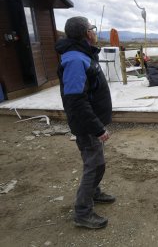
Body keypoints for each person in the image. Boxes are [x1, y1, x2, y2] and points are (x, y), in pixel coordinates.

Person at [55, 16, 115, 229]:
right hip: (88, 126)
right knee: (94, 165)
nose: (94, 31)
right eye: (92, 28)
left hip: (93, 122)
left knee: (98, 164)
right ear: (86, 33)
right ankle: (82, 212)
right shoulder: (74, 60)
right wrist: (97, 127)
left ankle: (94, 193)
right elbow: (76, 100)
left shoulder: (83, 54)